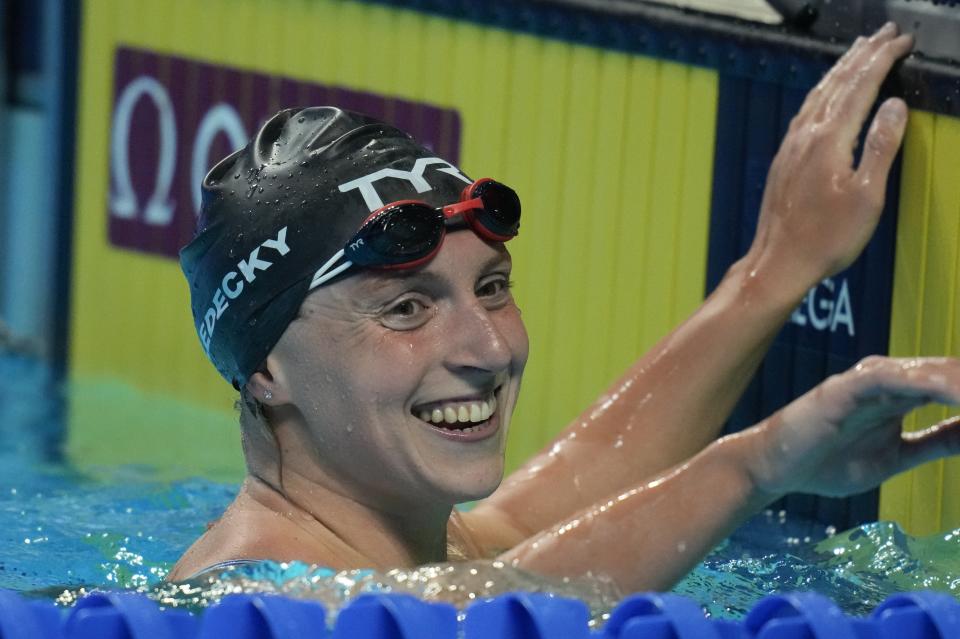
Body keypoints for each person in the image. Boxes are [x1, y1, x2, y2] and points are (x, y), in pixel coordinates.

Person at [168, 23, 960, 592]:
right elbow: (496, 605)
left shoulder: (411, 542)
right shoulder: (244, 602)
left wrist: (774, 271)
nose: (486, 349)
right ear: (267, 367)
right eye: (406, 309)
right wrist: (759, 464)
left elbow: (545, 519)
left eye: (492, 287)